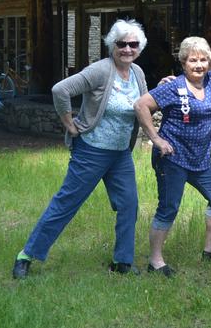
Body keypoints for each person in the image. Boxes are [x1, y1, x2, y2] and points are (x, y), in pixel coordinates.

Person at [12, 19, 149, 279]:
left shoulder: (137, 73)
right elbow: (60, 90)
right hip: (92, 152)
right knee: (66, 203)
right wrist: (69, 124)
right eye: (122, 44)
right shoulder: (100, 70)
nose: (127, 49)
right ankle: (26, 256)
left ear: (139, 47)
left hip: (120, 154)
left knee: (129, 205)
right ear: (112, 45)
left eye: (133, 44)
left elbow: (142, 104)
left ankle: (122, 263)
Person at [133, 36, 211, 277]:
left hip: (200, 159)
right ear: (183, 63)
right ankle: (155, 261)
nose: (199, 65)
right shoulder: (172, 86)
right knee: (168, 207)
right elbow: (141, 106)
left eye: (203, 60)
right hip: (173, 158)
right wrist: (156, 139)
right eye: (193, 60)